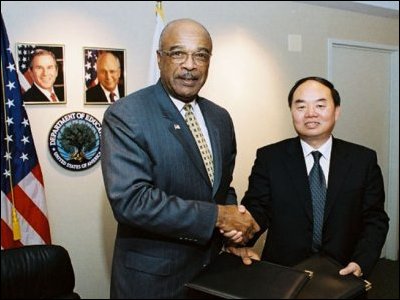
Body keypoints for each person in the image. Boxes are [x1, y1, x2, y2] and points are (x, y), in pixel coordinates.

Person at [101, 19, 259, 299]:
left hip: (212, 274)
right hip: (153, 283)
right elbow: (132, 202)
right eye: (178, 53)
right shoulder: (127, 115)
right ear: (160, 59)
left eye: (200, 55)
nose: (190, 65)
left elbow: (222, 187)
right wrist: (220, 217)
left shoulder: (220, 118)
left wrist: (231, 233)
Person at [229, 76, 389, 280]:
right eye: (301, 106)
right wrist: (240, 239)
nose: (311, 114)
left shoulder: (363, 160)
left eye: (320, 105)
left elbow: (375, 219)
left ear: (336, 111)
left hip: (344, 272)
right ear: (292, 112)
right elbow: (258, 209)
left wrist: (361, 262)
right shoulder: (270, 158)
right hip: (284, 273)